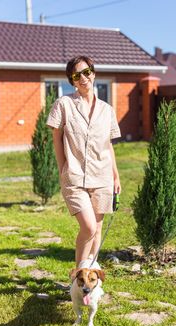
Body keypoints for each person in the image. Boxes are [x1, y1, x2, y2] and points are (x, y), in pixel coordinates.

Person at [47, 55, 121, 267]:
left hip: (103, 176)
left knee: (97, 229)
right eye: (76, 75)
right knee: (88, 227)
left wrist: (115, 175)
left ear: (93, 73)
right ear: (72, 80)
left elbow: (108, 145)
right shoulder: (64, 104)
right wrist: (63, 169)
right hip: (75, 177)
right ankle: (78, 275)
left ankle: (90, 276)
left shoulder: (107, 110)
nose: (83, 78)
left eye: (86, 72)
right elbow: (57, 139)